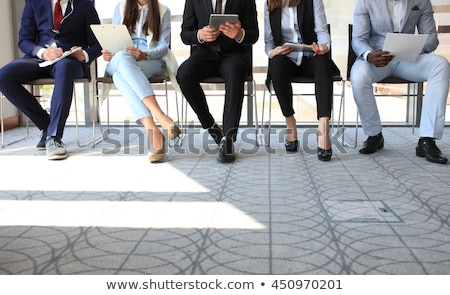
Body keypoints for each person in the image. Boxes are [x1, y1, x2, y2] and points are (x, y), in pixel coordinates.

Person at [0, 0, 102, 160]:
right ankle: (46, 124)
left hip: (70, 60)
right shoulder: (34, 2)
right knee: (4, 76)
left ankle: (54, 137)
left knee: (65, 67)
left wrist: (85, 55)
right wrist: (41, 52)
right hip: (41, 58)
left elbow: (97, 44)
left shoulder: (85, 4)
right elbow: (24, 41)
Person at [351, 0, 450, 164]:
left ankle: (427, 140)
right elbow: (358, 40)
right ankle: (374, 134)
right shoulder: (365, 2)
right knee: (358, 76)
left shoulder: (421, 1)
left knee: (441, 64)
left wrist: (412, 48)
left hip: (409, 59)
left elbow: (432, 38)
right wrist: (369, 55)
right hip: (377, 59)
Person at [176, 0, 259, 163]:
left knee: (234, 71)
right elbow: (185, 34)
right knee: (184, 74)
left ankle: (228, 138)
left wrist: (240, 33)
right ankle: (211, 126)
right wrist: (199, 35)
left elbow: (254, 34)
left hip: (234, 55)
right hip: (205, 54)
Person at [101, 0, 181, 163]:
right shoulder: (121, 7)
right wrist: (109, 53)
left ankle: (154, 132)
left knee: (119, 77)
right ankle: (161, 117)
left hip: (149, 61)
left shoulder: (163, 10)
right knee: (122, 57)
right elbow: (113, 41)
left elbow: (164, 46)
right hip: (120, 60)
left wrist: (145, 54)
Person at [264, 0, 339, 161]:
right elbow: (269, 41)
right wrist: (273, 51)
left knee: (323, 60)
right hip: (286, 59)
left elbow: (322, 31)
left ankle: (324, 128)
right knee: (276, 63)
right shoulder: (270, 3)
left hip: (310, 56)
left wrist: (323, 46)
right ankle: (290, 122)